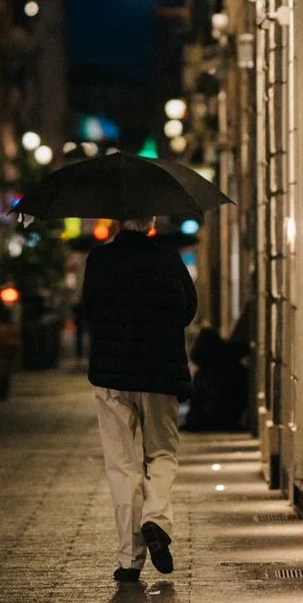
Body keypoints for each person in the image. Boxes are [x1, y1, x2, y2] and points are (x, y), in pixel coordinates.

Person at [81, 216, 196, 582]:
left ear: (118, 220)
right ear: (151, 222)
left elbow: (89, 310)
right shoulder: (169, 260)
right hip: (160, 376)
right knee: (162, 453)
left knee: (122, 464)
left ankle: (129, 559)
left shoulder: (100, 260)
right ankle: (155, 518)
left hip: (112, 376)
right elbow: (186, 311)